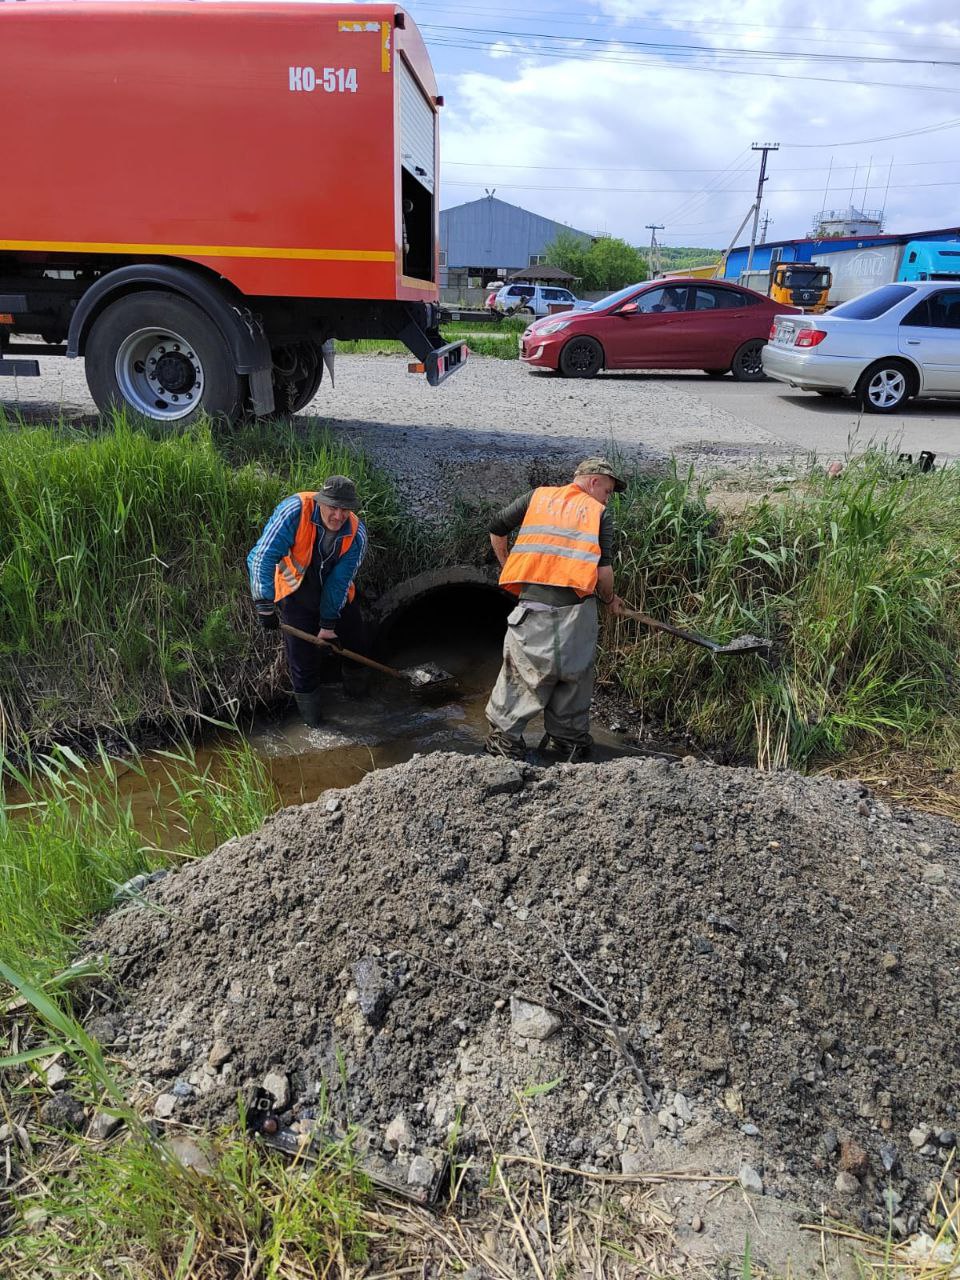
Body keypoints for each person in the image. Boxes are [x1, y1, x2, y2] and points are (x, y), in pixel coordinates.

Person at [484, 458, 626, 764]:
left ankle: (504, 744)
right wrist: (611, 598)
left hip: (529, 614)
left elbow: (497, 527)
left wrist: (508, 566)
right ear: (593, 482)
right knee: (572, 681)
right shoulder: (598, 513)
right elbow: (603, 574)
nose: (608, 497)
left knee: (521, 678)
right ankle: (569, 744)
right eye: (608, 490)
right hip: (574, 617)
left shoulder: (537, 497)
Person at [247, 476, 368, 727]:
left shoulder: (357, 534)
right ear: (320, 501)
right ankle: (316, 726)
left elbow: (339, 582)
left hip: (335, 595)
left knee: (356, 644)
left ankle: (360, 700)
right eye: (332, 507)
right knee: (302, 662)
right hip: (296, 593)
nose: (338, 515)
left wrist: (327, 625)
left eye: (345, 509)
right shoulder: (295, 511)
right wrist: (264, 603)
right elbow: (262, 556)